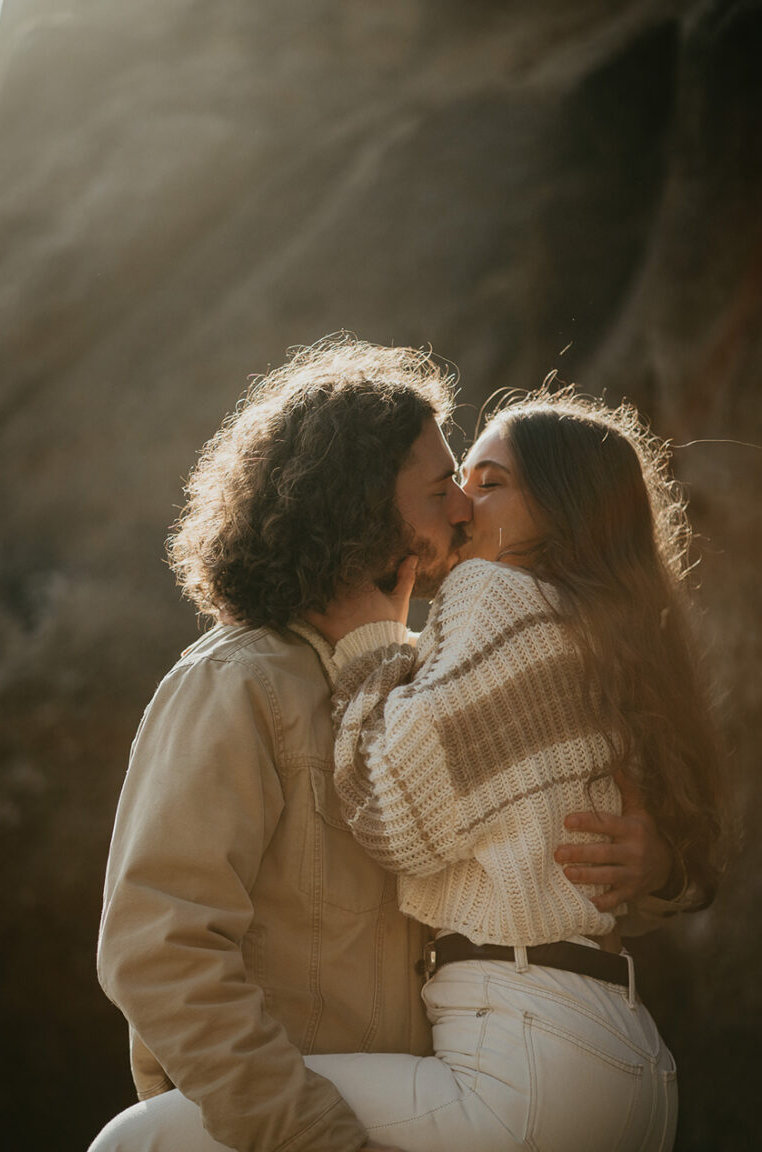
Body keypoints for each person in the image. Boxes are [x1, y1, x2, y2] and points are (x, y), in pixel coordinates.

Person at [89, 339, 690, 1152]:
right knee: (138, 1141)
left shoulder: (438, 677)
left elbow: (540, 883)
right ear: (363, 502)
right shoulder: (238, 686)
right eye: (443, 486)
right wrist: (318, 1138)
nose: (461, 511)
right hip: (313, 1123)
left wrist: (654, 865)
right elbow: (160, 954)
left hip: (471, 1093)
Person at [296, 386, 724, 1151]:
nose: (460, 504)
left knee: (162, 1129)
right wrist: (662, 863)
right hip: (627, 1063)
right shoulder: (606, 636)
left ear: (563, 511)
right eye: (461, 479)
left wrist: (369, 644)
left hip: (525, 1055)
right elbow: (683, 861)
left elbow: (392, 819)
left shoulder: (493, 595)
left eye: (490, 484)